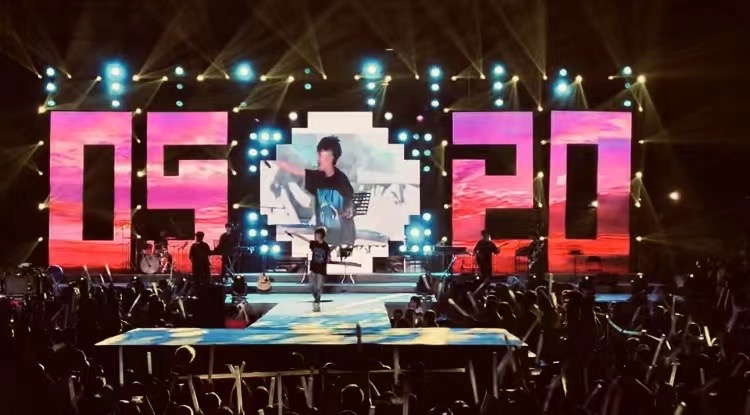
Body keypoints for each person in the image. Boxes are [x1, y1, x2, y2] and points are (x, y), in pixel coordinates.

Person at [276, 135, 356, 246]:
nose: (319, 160)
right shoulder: (317, 177)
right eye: (319, 155)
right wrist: (281, 164)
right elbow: (299, 171)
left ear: (332, 158)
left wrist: (348, 209)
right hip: (324, 234)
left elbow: (349, 200)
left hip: (343, 235)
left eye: (322, 156)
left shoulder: (341, 180)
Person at [309, 227, 331, 311]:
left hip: (321, 269)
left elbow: (328, 256)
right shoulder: (313, 244)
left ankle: (317, 300)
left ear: (321, 235)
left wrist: (328, 258)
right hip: (313, 268)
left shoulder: (325, 246)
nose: (315, 236)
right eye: (315, 235)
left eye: (317, 235)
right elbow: (306, 240)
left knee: (318, 286)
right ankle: (316, 297)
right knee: (313, 286)